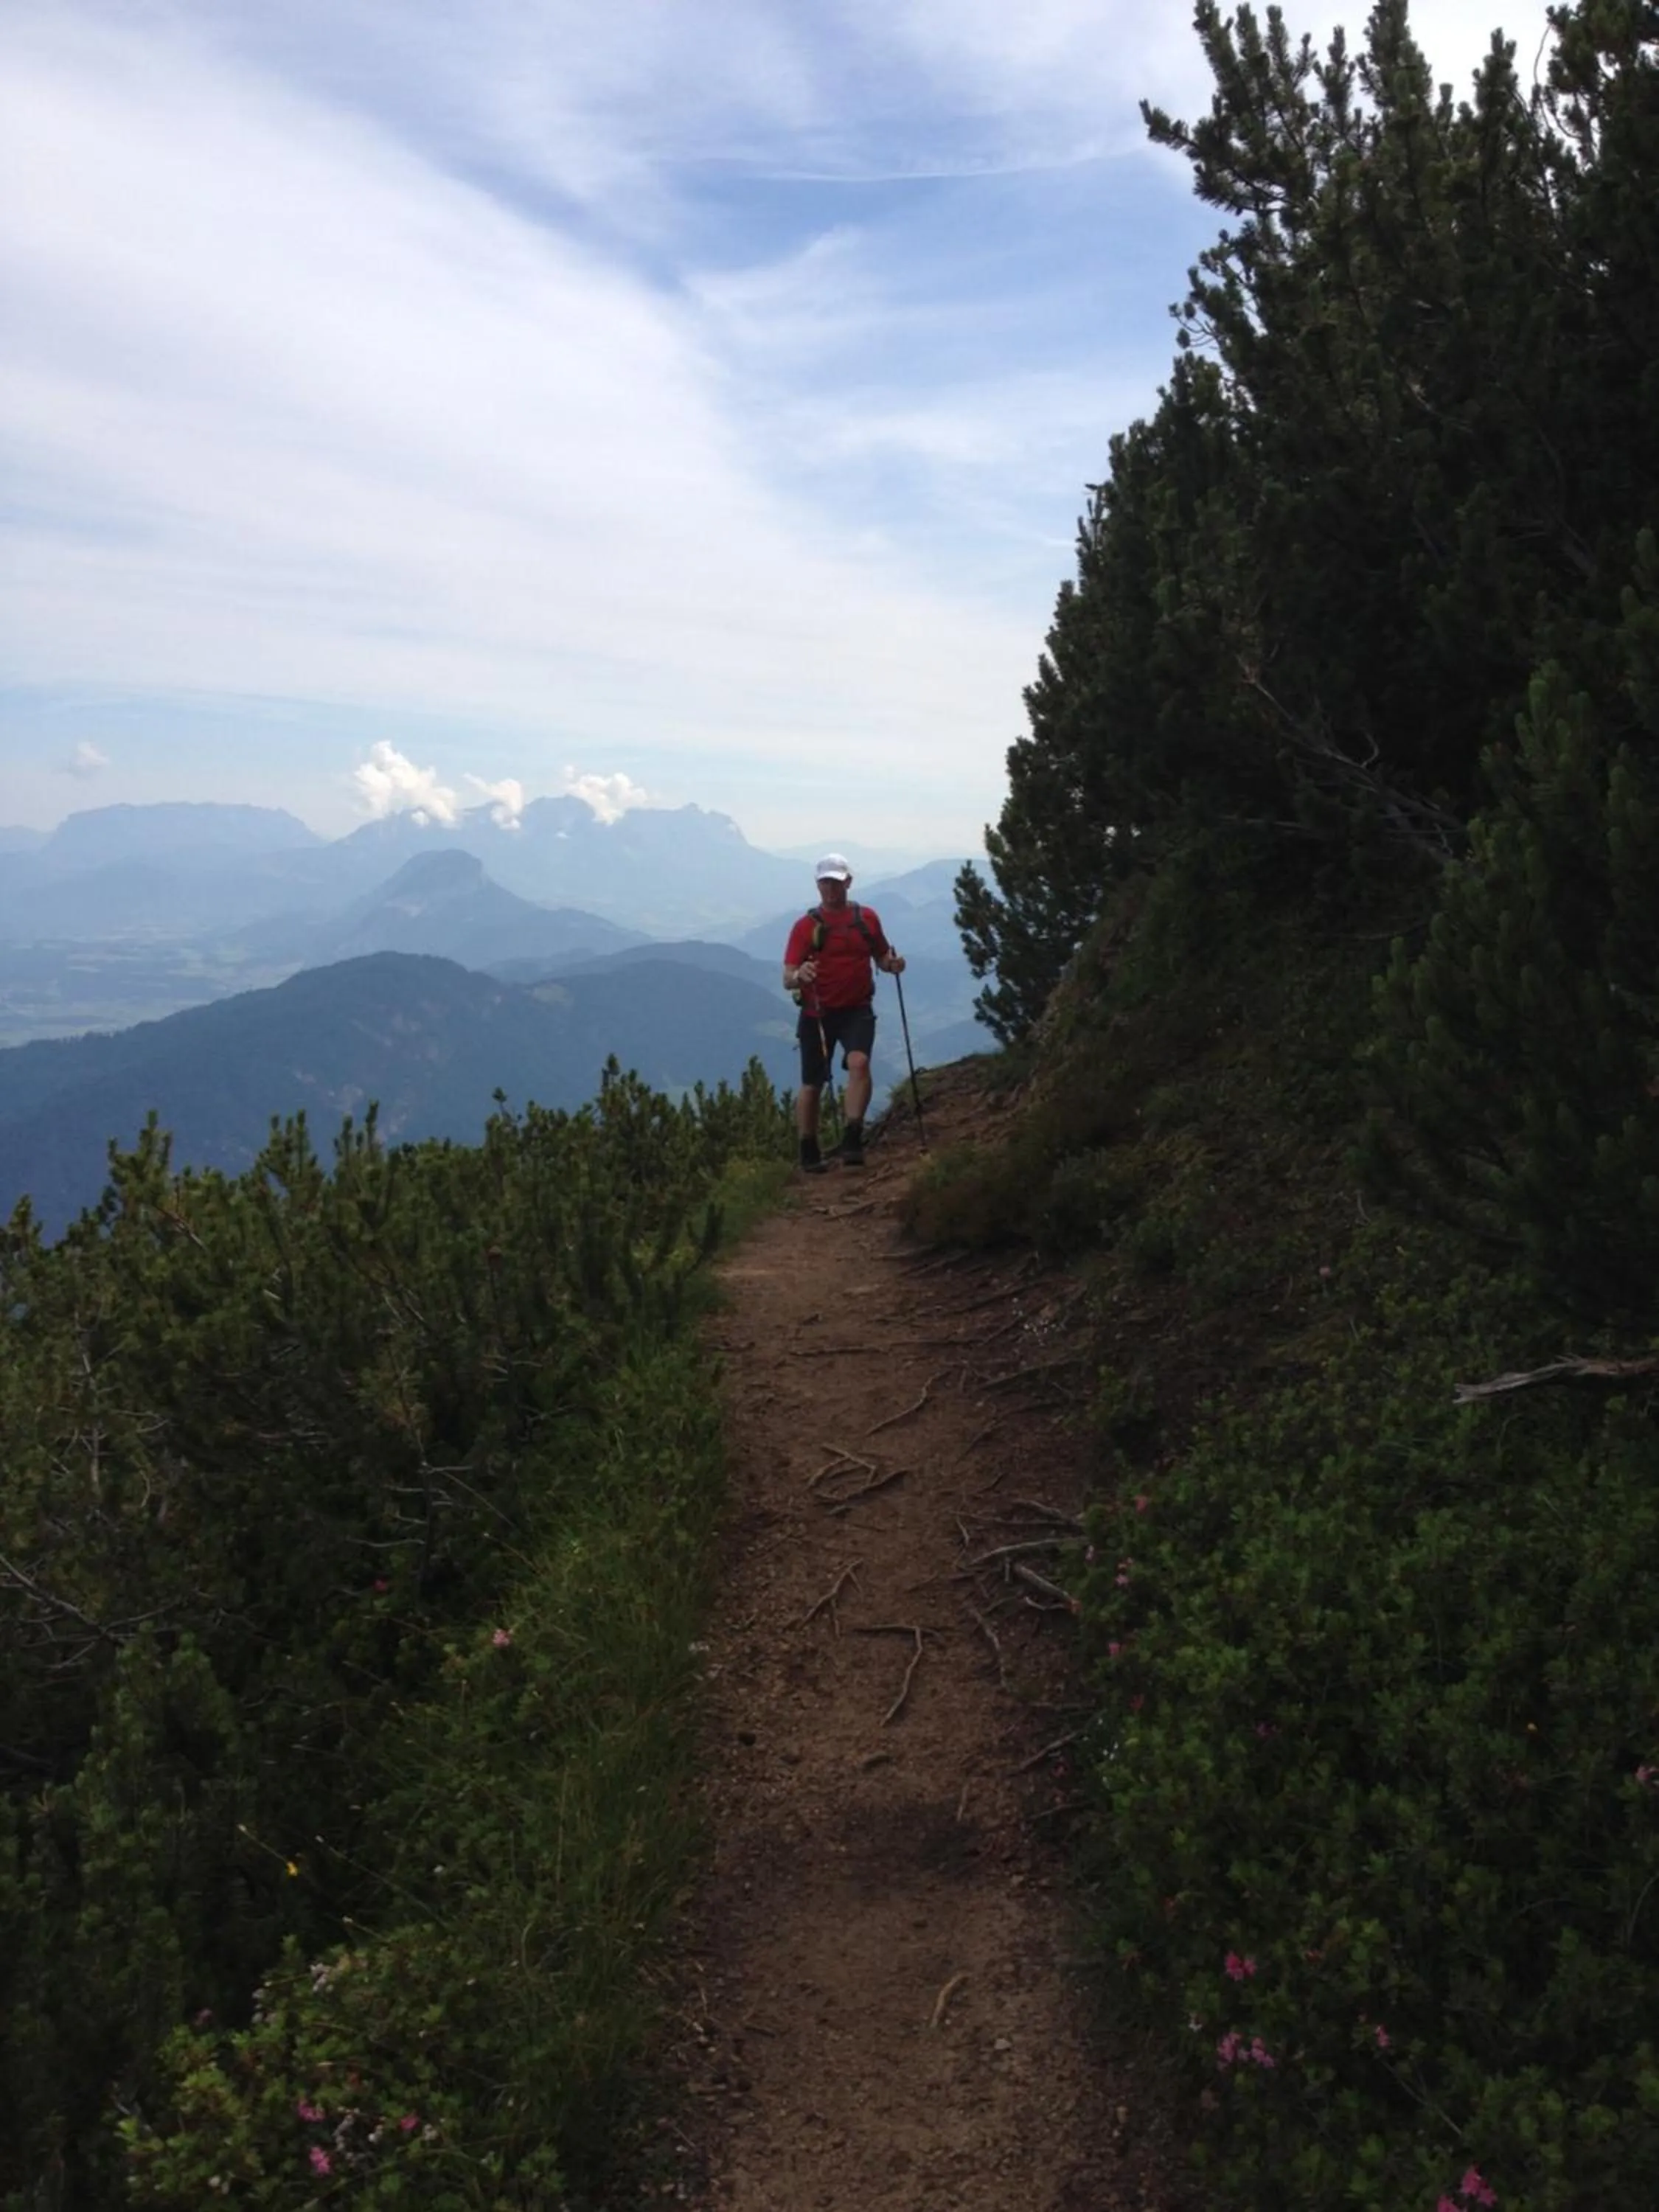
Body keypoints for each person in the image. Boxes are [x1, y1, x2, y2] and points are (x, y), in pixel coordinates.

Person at [782, 853, 906, 1172]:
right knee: (813, 1083)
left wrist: (891, 965)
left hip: (857, 1008)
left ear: (848, 882)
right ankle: (808, 1149)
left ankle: (853, 1137)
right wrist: (801, 976)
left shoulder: (867, 919)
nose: (830, 889)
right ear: (817, 884)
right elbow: (787, 977)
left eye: (836, 882)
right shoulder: (806, 926)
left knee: (859, 1062)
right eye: (825, 882)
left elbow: (880, 955)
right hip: (817, 1012)